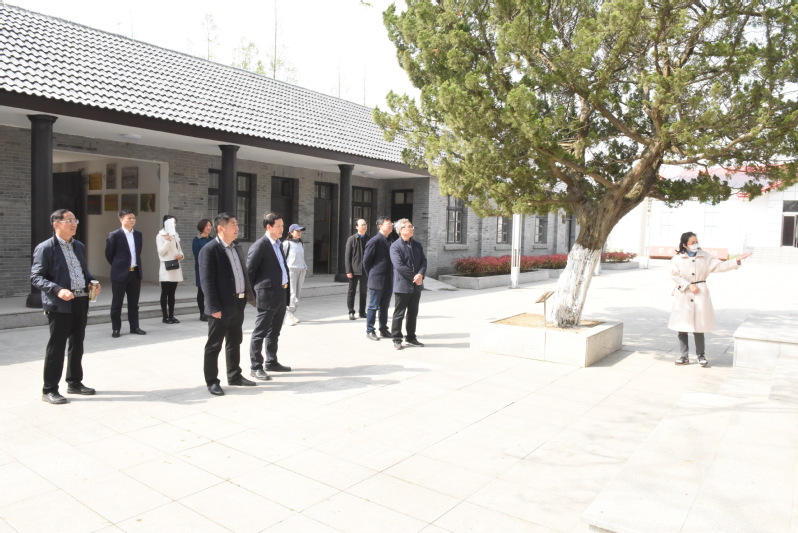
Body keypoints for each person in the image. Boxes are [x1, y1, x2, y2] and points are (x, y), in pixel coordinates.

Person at [31, 209, 101, 404]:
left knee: (77, 344)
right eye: (69, 220)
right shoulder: (46, 248)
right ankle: (49, 389)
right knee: (57, 346)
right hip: (59, 304)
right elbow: (36, 277)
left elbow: (83, 270)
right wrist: (57, 289)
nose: (74, 224)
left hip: (80, 300)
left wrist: (92, 281)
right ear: (56, 224)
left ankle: (74, 382)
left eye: (75, 220)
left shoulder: (79, 246)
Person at [669, 232, 751, 366]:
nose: (695, 244)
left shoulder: (705, 256)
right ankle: (684, 356)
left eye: (696, 241)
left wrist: (736, 261)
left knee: (699, 327)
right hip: (684, 295)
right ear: (684, 244)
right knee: (682, 327)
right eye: (692, 242)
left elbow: (719, 266)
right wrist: (688, 285)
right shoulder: (677, 259)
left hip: (700, 293)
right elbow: (674, 275)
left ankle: (701, 356)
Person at [198, 213, 256, 396]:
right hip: (220, 307)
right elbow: (206, 282)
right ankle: (212, 381)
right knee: (214, 345)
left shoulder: (236, 247)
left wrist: (247, 297)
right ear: (221, 228)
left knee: (235, 340)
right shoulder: (209, 250)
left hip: (238, 302)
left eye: (237, 224)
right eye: (233, 224)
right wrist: (213, 307)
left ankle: (234, 375)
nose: (237, 228)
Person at [248, 212, 292, 380]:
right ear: (269, 227)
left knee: (274, 332)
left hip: (280, 293)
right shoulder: (260, 246)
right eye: (278, 226)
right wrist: (253, 296)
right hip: (266, 295)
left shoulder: (279, 245)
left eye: (282, 225)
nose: (282, 229)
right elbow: (249, 273)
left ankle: (271, 361)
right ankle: (255, 366)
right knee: (260, 332)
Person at [105, 209, 146, 338]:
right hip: (119, 274)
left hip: (135, 273)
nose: (132, 220)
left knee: (134, 304)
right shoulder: (114, 235)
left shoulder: (138, 235)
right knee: (117, 303)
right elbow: (109, 254)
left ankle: (135, 327)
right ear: (121, 219)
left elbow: (138, 252)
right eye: (129, 218)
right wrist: (119, 266)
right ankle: (116, 328)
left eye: (133, 218)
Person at [389, 218, 427, 350]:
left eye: (412, 226)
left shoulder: (417, 244)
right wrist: (414, 277)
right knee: (399, 313)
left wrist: (420, 274)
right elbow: (399, 266)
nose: (411, 229)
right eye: (408, 227)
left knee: (413, 313)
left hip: (416, 285)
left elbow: (424, 261)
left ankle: (411, 337)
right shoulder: (395, 246)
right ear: (401, 230)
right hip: (402, 285)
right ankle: (397, 338)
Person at [362, 216, 394, 341]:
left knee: (384, 307)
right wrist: (372, 275)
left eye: (391, 224)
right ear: (380, 226)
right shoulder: (374, 241)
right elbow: (366, 261)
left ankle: (383, 329)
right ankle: (370, 330)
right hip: (376, 279)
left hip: (388, 279)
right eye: (388, 224)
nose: (391, 226)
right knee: (373, 306)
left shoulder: (390, 240)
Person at [156, 215, 184, 324]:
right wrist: (167, 241)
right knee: (165, 292)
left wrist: (181, 255)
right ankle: (165, 316)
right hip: (166, 267)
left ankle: (172, 315)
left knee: (172, 293)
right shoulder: (160, 235)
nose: (173, 225)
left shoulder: (175, 235)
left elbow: (179, 249)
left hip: (175, 265)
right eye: (171, 223)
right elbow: (161, 252)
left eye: (174, 223)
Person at [281, 223, 308, 325]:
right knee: (291, 293)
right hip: (291, 271)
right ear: (291, 232)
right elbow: (282, 258)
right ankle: (287, 315)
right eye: (297, 231)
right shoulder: (286, 244)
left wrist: (304, 266)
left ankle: (292, 314)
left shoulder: (301, 244)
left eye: (300, 231)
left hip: (301, 270)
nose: (299, 233)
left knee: (297, 294)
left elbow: (302, 257)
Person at [345, 218, 368, 320]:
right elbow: (347, 256)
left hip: (365, 270)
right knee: (352, 291)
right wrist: (348, 270)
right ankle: (351, 311)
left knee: (363, 292)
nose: (364, 226)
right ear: (356, 227)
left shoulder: (369, 239)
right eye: (362, 225)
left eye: (365, 224)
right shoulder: (351, 239)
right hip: (354, 270)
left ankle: (362, 312)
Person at [192, 218, 213, 321]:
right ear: (202, 227)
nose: (209, 227)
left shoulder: (212, 239)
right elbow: (197, 255)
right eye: (206, 226)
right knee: (201, 290)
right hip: (201, 268)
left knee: (210, 291)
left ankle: (210, 311)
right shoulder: (196, 240)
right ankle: (202, 313)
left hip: (212, 268)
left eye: (210, 225)